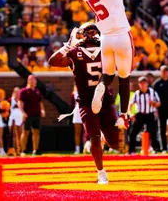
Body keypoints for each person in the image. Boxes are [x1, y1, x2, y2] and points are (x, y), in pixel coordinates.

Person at [76, 0, 145, 131]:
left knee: (108, 75)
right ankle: (123, 116)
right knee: (124, 79)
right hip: (122, 36)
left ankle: (102, 87)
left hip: (105, 38)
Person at [49, 23, 119, 184]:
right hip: (86, 102)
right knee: (93, 138)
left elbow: (119, 65)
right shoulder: (74, 52)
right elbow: (53, 61)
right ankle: (101, 173)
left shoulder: (106, 51)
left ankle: (102, 137)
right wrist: (67, 46)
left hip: (105, 100)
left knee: (114, 143)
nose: (91, 34)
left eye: (94, 31)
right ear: (82, 34)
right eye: (88, 31)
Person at [128, 76, 161, 154]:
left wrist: (153, 103)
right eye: (141, 83)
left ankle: (154, 149)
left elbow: (159, 103)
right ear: (139, 84)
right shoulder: (136, 93)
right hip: (140, 115)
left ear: (147, 83)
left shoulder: (152, 92)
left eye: (144, 83)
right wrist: (131, 114)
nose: (143, 84)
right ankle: (132, 150)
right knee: (132, 132)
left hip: (150, 114)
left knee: (153, 132)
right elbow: (130, 105)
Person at [19, 75, 45, 156]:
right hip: (28, 115)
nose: (33, 82)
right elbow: (20, 103)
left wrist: (42, 110)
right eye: (31, 80)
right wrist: (23, 112)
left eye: (34, 80)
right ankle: (23, 150)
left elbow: (40, 102)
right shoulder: (23, 91)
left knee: (36, 132)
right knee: (25, 132)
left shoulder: (37, 91)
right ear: (28, 81)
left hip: (36, 114)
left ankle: (35, 150)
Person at [8, 87, 24, 153]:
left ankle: (21, 150)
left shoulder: (22, 100)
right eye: (16, 92)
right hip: (12, 119)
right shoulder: (10, 100)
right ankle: (12, 149)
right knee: (12, 135)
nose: (17, 93)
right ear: (13, 92)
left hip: (20, 119)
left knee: (21, 135)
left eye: (18, 92)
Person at [71, 85, 84, 154]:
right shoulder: (73, 93)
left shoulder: (87, 92)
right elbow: (72, 104)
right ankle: (77, 149)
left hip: (85, 112)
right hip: (77, 114)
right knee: (77, 133)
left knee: (86, 133)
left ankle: (86, 148)